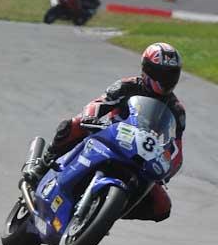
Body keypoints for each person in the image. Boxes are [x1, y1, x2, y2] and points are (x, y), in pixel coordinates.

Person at [24, 42, 186, 222]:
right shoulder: (127, 85)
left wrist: (167, 171)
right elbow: (99, 103)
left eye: (172, 74)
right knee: (72, 125)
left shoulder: (176, 110)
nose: (166, 79)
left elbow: (176, 149)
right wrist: (89, 117)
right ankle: (43, 164)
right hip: (110, 137)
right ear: (147, 69)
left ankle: (105, 212)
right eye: (162, 73)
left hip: (141, 159)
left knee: (162, 208)